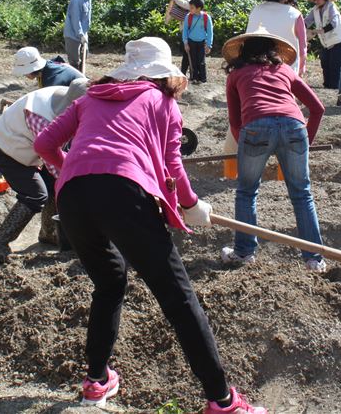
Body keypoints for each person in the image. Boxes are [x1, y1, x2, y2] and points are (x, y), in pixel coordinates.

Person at [33, 37, 266, 413]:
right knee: (178, 297)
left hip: (73, 197)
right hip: (125, 193)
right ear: (164, 74)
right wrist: (192, 205)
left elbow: (44, 143)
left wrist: (71, 168)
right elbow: (173, 165)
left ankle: (96, 380)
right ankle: (222, 400)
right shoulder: (162, 102)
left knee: (109, 283)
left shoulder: (89, 98)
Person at [220, 26, 327, 272]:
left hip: (256, 128)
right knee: (302, 194)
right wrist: (305, 141)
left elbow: (235, 122)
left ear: (243, 52)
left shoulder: (236, 76)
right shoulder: (285, 70)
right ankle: (314, 259)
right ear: (273, 51)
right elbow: (317, 108)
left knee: (246, 192)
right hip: (294, 127)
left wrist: (246, 143)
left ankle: (244, 253)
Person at [0, 77, 89, 262]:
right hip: (7, 148)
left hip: (29, 144)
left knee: (51, 185)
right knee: (35, 195)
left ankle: (48, 233)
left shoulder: (69, 93)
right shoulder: (43, 118)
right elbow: (55, 163)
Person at [245, 0, 308, 78]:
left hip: (257, 69)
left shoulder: (256, 11)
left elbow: (248, 38)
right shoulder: (294, 14)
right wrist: (301, 68)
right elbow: (302, 47)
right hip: (286, 71)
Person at [303, 0, 341, 90]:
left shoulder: (331, 7)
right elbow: (307, 21)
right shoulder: (315, 10)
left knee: (335, 64)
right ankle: (327, 84)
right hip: (325, 42)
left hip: (337, 40)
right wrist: (301, 28)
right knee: (325, 63)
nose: (316, 0)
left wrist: (319, 31)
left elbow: (334, 23)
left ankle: (335, 86)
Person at [63, 0, 100, 74]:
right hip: (73, 35)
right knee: (74, 62)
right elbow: (76, 20)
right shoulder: (77, 0)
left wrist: (85, 34)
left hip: (83, 33)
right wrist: (81, 35)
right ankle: (74, 82)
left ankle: (81, 77)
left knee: (84, 57)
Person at [174, 0, 204, 76]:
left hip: (189, 27)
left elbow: (188, 6)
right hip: (194, 27)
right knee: (189, 53)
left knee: (187, 52)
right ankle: (189, 74)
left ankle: (184, 74)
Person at [12, 46, 84, 88]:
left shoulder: (52, 81)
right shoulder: (46, 68)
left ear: (31, 70)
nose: (24, 75)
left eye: (24, 72)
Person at [182, 0, 213, 84]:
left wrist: (209, 44)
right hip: (191, 41)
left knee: (201, 61)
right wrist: (185, 43)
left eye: (192, 8)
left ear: (198, 8)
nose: (190, 9)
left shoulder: (206, 17)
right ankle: (194, 77)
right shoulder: (188, 17)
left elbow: (210, 32)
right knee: (193, 60)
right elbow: (185, 31)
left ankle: (203, 79)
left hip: (202, 42)